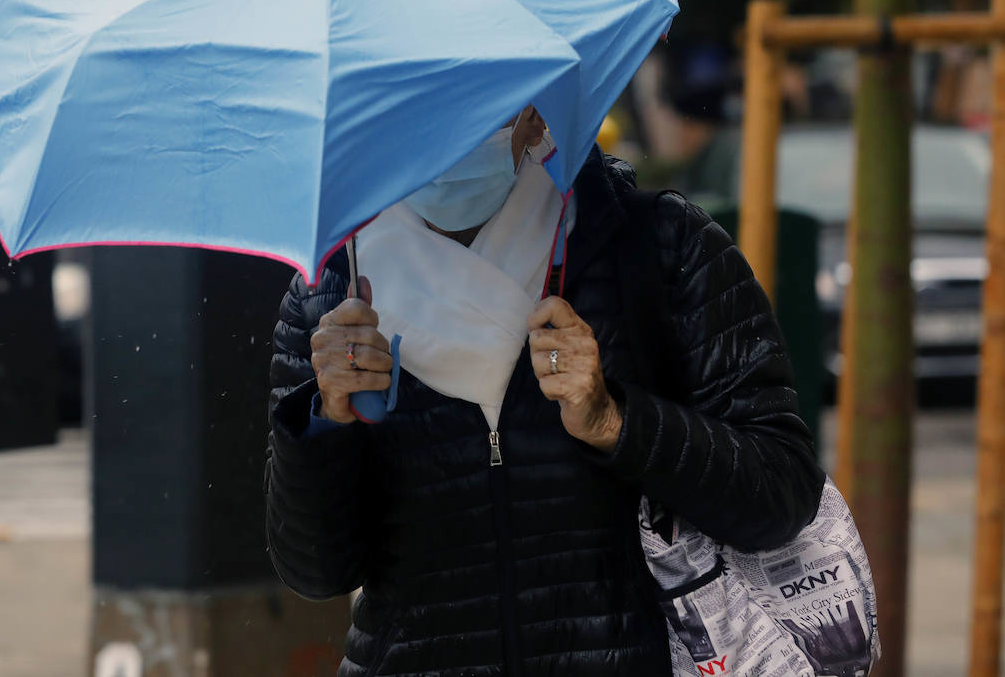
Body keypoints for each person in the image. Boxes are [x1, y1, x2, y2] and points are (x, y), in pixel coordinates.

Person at [263, 105, 824, 676]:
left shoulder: (660, 249)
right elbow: (316, 573)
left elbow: (781, 497)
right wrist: (328, 421)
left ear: (533, 116)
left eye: (476, 110)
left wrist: (615, 422)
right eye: (415, 110)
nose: (444, 144)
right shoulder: (331, 299)